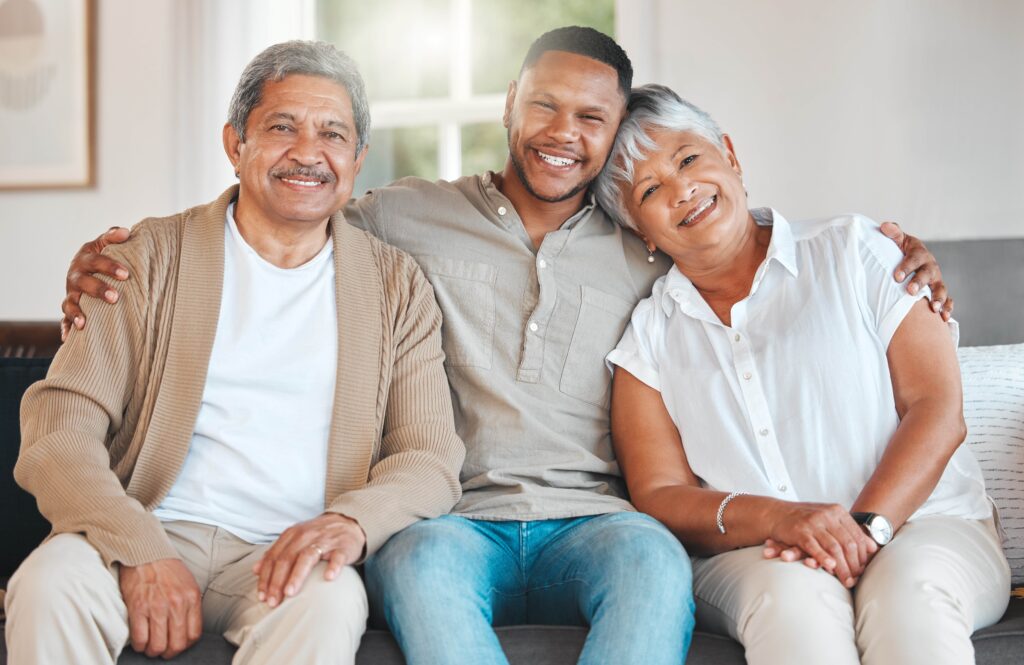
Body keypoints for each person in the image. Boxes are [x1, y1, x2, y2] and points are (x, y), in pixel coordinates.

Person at [58, 27, 953, 665]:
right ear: (509, 107)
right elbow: (285, 212)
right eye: (546, 107)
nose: (565, 134)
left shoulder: (644, 233)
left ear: (610, 139)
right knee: (420, 574)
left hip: (599, 519)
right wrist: (112, 257)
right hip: (449, 518)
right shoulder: (402, 214)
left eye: (591, 120)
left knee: (651, 566)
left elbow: (725, 226)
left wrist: (896, 254)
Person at [4, 41, 465, 665]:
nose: (308, 152)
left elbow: (428, 454)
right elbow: (60, 431)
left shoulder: (396, 286)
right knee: (49, 584)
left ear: (357, 159)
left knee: (330, 606)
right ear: (235, 144)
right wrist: (138, 547)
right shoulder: (142, 259)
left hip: (291, 555)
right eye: (282, 127)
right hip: (147, 525)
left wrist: (351, 524)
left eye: (332, 133)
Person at [595, 84, 1010, 665]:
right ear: (642, 229)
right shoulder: (647, 336)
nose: (682, 189)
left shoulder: (858, 251)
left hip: (924, 526)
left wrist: (866, 532)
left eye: (688, 159)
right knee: (794, 606)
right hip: (761, 555)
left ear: (731, 156)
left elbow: (936, 408)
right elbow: (661, 493)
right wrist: (782, 520)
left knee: (909, 600)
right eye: (650, 189)